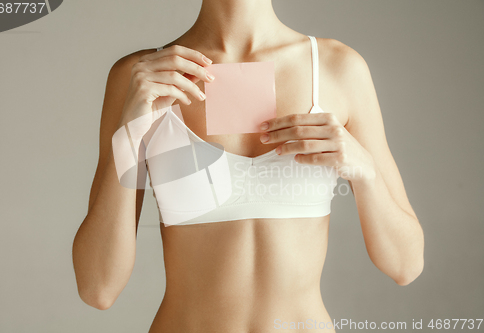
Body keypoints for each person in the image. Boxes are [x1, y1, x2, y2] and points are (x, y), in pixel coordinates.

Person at [72, 0, 425, 332]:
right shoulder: (141, 78)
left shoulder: (338, 69)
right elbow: (98, 288)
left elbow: (406, 265)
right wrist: (131, 139)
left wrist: (365, 171)